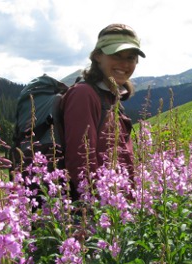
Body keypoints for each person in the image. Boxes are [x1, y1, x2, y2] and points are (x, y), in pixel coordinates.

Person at [61, 23, 146, 200]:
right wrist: (95, 209)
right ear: (98, 56)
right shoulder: (84, 94)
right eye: (116, 55)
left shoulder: (111, 97)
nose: (124, 63)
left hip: (118, 211)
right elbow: (81, 160)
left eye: (131, 58)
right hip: (98, 213)